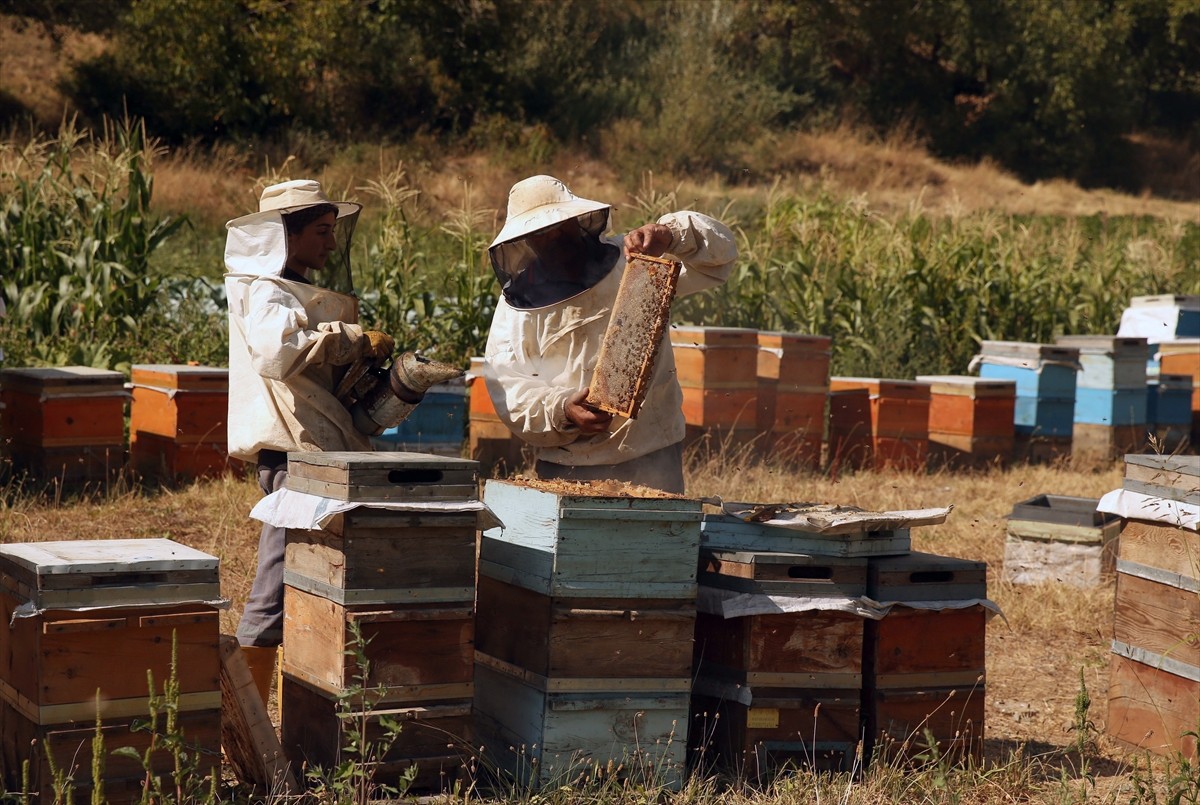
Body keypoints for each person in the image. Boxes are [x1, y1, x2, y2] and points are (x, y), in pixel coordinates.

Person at [224, 179, 457, 704]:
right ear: (288, 235)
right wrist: (349, 338)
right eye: (322, 232)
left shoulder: (296, 290)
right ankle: (244, 725)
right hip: (295, 462)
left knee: (320, 586)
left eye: (334, 232)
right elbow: (276, 353)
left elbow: (318, 386)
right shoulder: (266, 291)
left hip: (323, 455)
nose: (331, 244)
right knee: (275, 591)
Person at [482, 175, 738, 494]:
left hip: (651, 451)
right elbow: (509, 385)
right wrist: (562, 409)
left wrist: (670, 235)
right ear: (526, 242)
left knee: (655, 543)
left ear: (579, 221)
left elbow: (719, 256)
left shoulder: (635, 261)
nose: (554, 237)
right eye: (541, 234)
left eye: (560, 227)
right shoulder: (515, 308)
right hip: (567, 462)